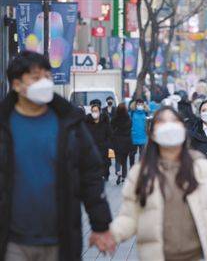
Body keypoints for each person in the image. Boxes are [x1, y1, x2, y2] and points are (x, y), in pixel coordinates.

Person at [0, 51, 112, 261]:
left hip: (60, 239)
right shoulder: (4, 124)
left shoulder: (69, 123)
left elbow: (90, 175)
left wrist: (101, 225)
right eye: (35, 78)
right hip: (11, 240)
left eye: (47, 77)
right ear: (16, 85)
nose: (44, 83)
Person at [101, 107, 207, 260]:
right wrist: (110, 235)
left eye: (174, 122)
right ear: (152, 132)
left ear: (183, 130)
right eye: (162, 122)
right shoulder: (140, 173)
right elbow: (129, 217)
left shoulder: (205, 171)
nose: (168, 127)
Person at [86, 104, 113, 181]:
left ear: (99, 111)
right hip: (93, 148)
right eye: (93, 111)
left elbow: (110, 135)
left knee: (105, 163)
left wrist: (108, 145)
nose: (94, 113)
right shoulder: (88, 123)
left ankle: (106, 175)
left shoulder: (105, 123)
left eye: (96, 111)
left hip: (104, 147)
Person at [111, 103, 132, 185]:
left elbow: (111, 127)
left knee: (117, 159)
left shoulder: (115, 118)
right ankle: (123, 177)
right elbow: (130, 127)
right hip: (126, 142)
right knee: (124, 160)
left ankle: (118, 171)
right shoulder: (128, 118)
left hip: (117, 141)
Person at [129, 99, 148, 167]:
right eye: (138, 104)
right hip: (134, 136)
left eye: (141, 104)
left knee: (142, 155)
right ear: (135, 105)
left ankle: (140, 168)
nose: (140, 105)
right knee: (132, 154)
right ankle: (132, 167)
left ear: (143, 105)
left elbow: (148, 124)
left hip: (143, 137)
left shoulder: (146, 113)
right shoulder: (132, 113)